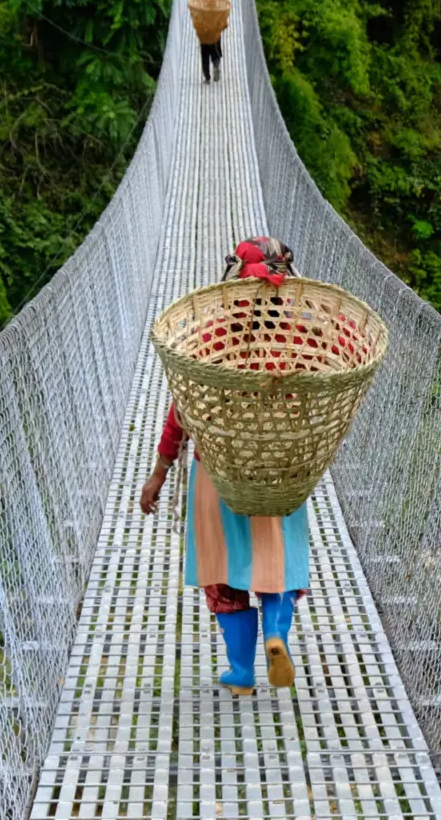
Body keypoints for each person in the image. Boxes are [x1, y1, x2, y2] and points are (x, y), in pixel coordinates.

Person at [139, 237, 306, 697]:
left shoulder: (212, 338)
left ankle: (240, 672)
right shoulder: (303, 339)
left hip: (218, 470)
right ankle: (277, 634)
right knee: (277, 566)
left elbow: (183, 412)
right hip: (278, 467)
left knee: (225, 574)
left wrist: (159, 472)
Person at [196, 0, 231, 83]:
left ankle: (207, 77)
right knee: (216, 54)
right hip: (215, 37)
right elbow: (225, 24)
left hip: (204, 37)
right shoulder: (219, 10)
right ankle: (216, 67)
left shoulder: (201, 9)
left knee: (205, 57)